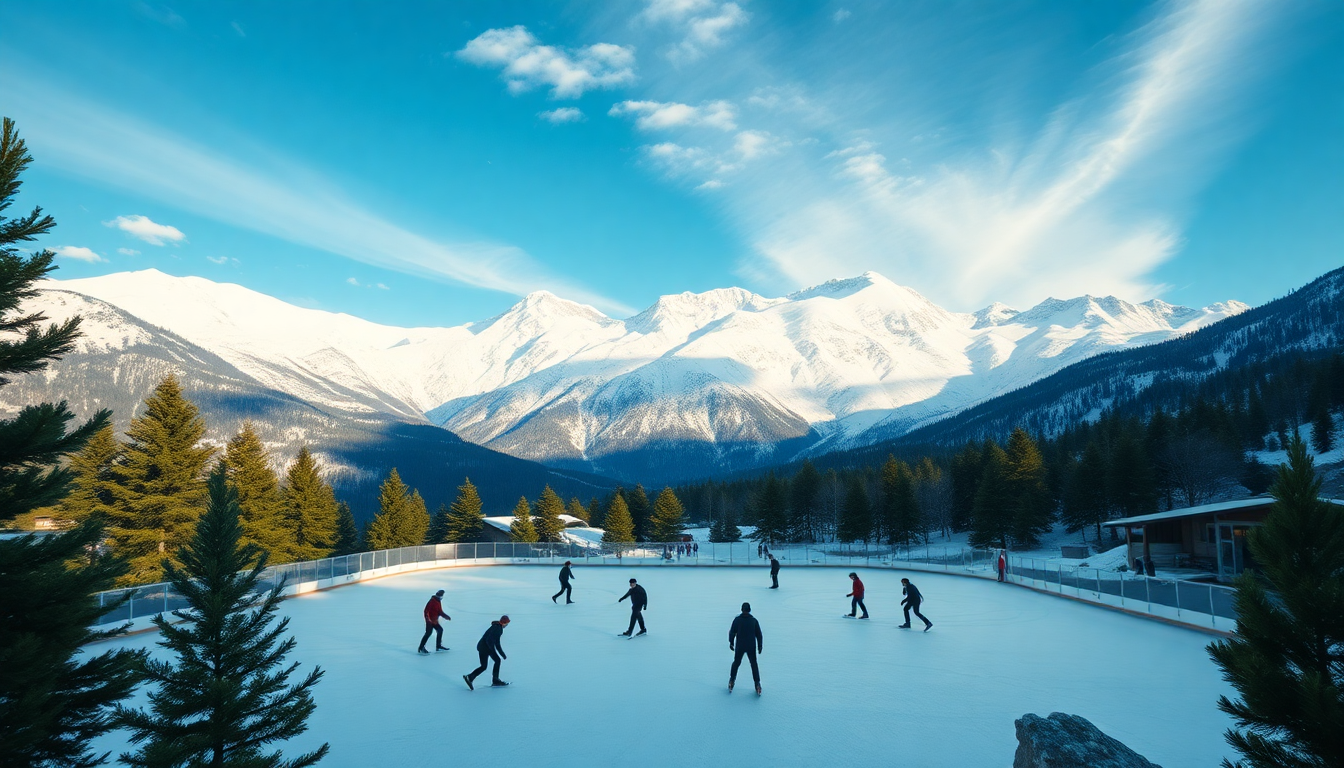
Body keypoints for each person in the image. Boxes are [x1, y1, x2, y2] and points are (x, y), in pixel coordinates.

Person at [463, 615, 510, 689]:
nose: (506, 625)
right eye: (506, 624)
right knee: (497, 661)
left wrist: (502, 653)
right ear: (504, 623)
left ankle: (470, 677)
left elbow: (496, 642)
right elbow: (491, 640)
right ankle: (495, 680)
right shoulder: (498, 629)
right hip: (486, 648)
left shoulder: (496, 626)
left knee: (484, 666)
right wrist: (492, 650)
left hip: (481, 647)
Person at [728, 602, 763, 694]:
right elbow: (759, 635)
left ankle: (732, 680)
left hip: (740, 646)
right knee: (754, 665)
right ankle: (757, 684)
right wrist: (760, 645)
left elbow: (732, 632)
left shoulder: (737, 620)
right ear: (749, 610)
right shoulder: (753, 621)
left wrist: (731, 642)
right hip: (751, 646)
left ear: (742, 609)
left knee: (736, 663)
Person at [417, 589, 451, 654]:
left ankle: (438, 646)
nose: (441, 598)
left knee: (440, 630)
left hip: (434, 621)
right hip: (429, 621)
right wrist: (428, 620)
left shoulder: (438, 602)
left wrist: (446, 616)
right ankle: (421, 648)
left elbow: (440, 611)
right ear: (438, 596)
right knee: (428, 633)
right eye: (441, 596)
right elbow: (426, 611)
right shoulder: (431, 601)